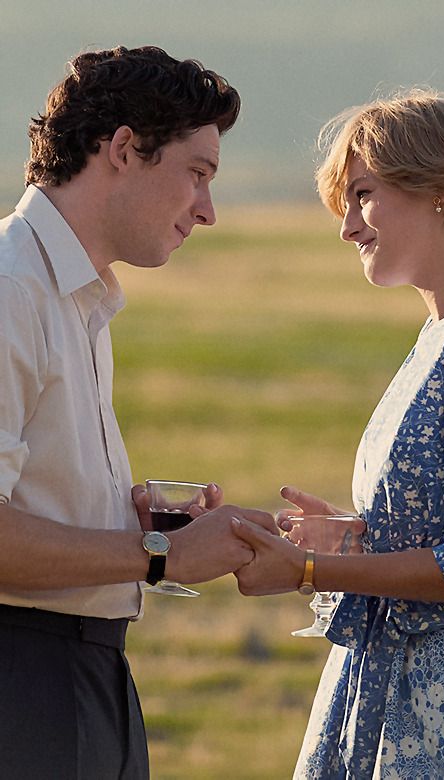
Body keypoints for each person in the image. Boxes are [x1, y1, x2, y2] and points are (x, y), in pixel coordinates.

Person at [232, 90, 444, 778]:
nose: (347, 227)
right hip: (399, 694)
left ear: (438, 188)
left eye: (361, 196)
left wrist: (313, 572)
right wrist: (355, 534)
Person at [0, 45, 275, 780]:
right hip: (26, 683)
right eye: (199, 174)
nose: (209, 211)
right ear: (124, 149)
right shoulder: (10, 290)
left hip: (83, 678)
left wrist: (140, 531)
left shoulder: (77, 298)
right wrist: (159, 556)